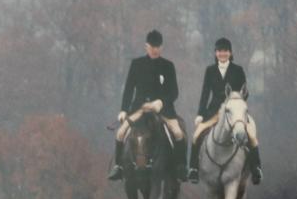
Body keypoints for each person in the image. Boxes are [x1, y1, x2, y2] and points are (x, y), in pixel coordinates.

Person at [108, 30, 188, 182]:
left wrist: (161, 102)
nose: (155, 49)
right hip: (139, 108)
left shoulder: (168, 66)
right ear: (146, 46)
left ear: (161, 47)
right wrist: (124, 110)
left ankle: (181, 167)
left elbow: (174, 92)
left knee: (178, 133)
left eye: (158, 47)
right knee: (120, 133)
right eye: (152, 46)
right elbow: (129, 89)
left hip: (163, 110)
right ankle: (118, 167)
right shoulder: (136, 64)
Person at [187, 37, 263, 184]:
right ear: (216, 53)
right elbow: (205, 93)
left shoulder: (238, 70)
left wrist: (239, 107)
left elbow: (244, 92)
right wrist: (200, 114)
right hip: (214, 112)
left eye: (225, 51)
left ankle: (256, 168)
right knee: (196, 135)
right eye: (220, 51)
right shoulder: (210, 70)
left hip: (234, 112)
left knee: (251, 136)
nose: (222, 53)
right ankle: (193, 169)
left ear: (230, 53)